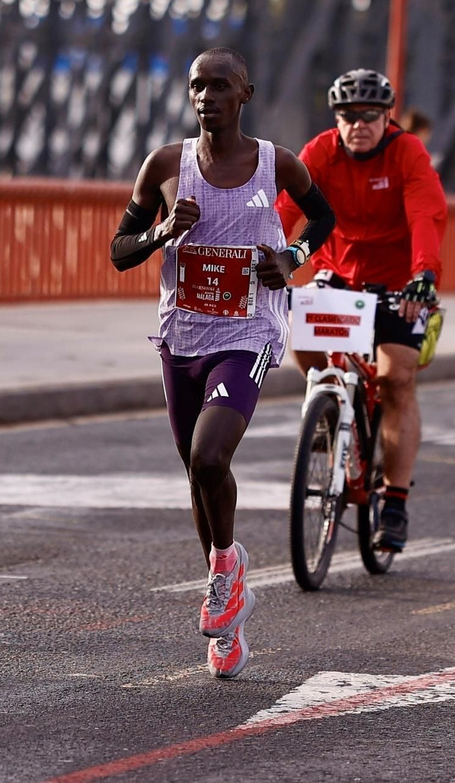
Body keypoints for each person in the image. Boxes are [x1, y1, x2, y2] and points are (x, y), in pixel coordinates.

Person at [110, 47, 334, 680]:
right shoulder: (164, 166)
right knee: (197, 475)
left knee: (212, 456)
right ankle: (229, 605)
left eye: (220, 86)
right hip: (182, 336)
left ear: (246, 94)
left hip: (250, 330)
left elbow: (324, 219)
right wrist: (160, 234)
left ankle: (225, 571)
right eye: (196, 87)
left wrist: (291, 257)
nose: (206, 97)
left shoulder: (276, 164)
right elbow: (119, 250)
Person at [276, 69, 448, 554]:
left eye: (369, 116)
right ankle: (328, 412)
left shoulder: (407, 152)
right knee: (305, 339)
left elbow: (426, 215)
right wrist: (262, 256)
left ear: (387, 117)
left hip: (401, 284)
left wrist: (424, 274)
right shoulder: (319, 152)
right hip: (339, 275)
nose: (358, 125)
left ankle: (394, 502)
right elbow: (286, 209)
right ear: (337, 120)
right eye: (348, 117)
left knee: (397, 380)